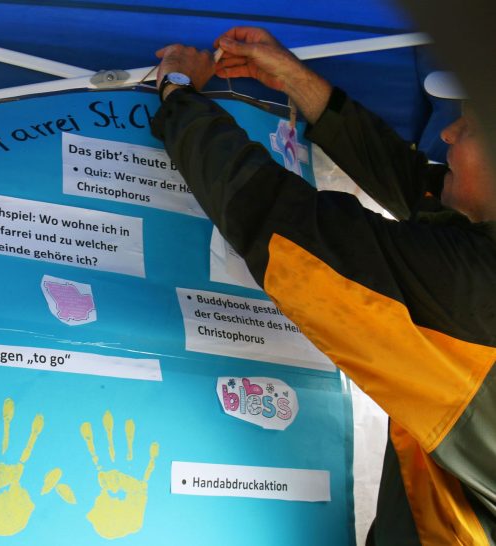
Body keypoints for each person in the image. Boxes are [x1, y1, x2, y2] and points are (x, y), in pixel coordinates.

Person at [151, 27, 496, 544]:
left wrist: (177, 95)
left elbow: (281, 219)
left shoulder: (473, 284)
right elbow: (422, 190)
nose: (446, 135)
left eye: (467, 126)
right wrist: (302, 85)